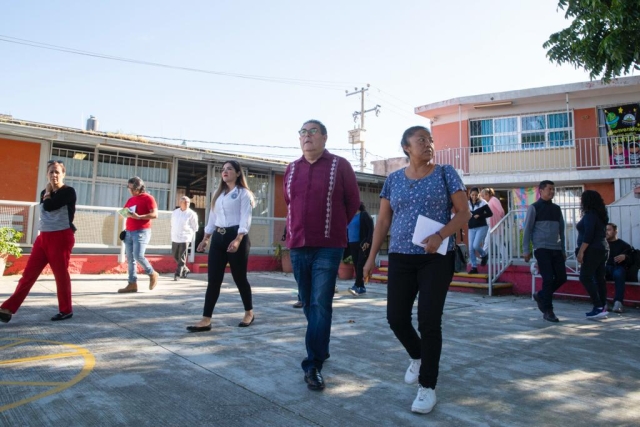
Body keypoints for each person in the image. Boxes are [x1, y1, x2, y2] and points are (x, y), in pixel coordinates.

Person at [363, 126, 470, 415]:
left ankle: (427, 387)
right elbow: (383, 222)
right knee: (396, 317)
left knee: (429, 320)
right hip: (400, 256)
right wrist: (371, 258)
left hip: (435, 257)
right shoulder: (394, 180)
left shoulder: (446, 173)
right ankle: (418, 356)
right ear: (406, 147)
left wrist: (441, 235)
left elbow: (464, 213)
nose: (428, 144)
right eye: (421, 139)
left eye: (430, 139)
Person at [284, 119, 360, 391]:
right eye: (302, 132)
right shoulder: (291, 169)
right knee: (307, 301)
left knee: (319, 303)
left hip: (328, 246)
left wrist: (334, 228)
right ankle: (321, 347)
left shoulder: (340, 166)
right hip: (297, 245)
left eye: (312, 131)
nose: (306, 136)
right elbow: (289, 204)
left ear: (325, 137)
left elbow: (353, 203)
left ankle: (313, 363)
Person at [0, 160, 77, 323]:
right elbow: (45, 212)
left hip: (61, 237)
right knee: (28, 275)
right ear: (46, 174)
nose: (54, 175)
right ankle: (8, 308)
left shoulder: (68, 191)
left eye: (57, 172)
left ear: (63, 174)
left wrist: (48, 192)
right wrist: (47, 191)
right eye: (51, 172)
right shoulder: (45, 191)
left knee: (60, 275)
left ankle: (66, 310)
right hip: (43, 238)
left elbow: (49, 206)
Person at [187, 160, 255, 332]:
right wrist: (205, 238)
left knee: (239, 277)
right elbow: (212, 218)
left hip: (236, 236)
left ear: (238, 173)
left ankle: (249, 312)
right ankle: (205, 319)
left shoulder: (244, 193)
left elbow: (245, 217)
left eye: (229, 169)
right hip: (219, 237)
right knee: (213, 280)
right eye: (223, 170)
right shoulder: (218, 195)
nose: (225, 172)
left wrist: (239, 239)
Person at [523, 180, 566, 323]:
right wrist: (526, 250)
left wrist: (563, 249)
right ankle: (548, 311)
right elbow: (527, 229)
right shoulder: (534, 208)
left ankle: (541, 295)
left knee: (561, 277)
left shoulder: (557, 209)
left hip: (556, 248)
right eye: (550, 189)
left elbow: (562, 231)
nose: (552, 192)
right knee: (548, 279)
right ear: (541, 191)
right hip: (541, 248)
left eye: (554, 189)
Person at [118, 177, 160, 293]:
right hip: (129, 232)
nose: (130, 191)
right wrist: (124, 213)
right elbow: (123, 213)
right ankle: (132, 283)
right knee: (130, 258)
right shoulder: (131, 199)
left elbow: (155, 214)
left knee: (138, 256)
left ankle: (152, 273)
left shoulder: (149, 198)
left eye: (132, 189)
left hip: (141, 231)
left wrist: (140, 217)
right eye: (129, 188)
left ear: (140, 188)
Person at [576, 190, 610, 319]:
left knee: (585, 277)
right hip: (603, 249)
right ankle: (602, 306)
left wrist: (581, 251)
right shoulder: (600, 215)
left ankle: (598, 306)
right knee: (599, 279)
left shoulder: (590, 215)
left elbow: (588, 235)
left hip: (593, 249)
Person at [347, 202, 374, 296]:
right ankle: (361, 287)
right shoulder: (350, 216)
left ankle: (356, 285)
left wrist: (368, 241)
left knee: (360, 265)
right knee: (356, 264)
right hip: (352, 244)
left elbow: (371, 228)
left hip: (362, 244)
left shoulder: (364, 214)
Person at [605, 223, 631, 313]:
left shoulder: (624, 245)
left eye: (609, 230)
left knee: (619, 274)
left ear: (615, 231)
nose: (606, 232)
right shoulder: (602, 244)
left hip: (617, 267)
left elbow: (632, 258)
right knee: (597, 273)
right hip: (604, 267)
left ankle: (618, 303)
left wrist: (625, 256)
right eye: (605, 230)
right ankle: (603, 302)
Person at [171, 196, 199, 280]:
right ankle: (185, 269)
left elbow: (195, 227)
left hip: (185, 237)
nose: (187, 204)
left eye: (188, 202)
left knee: (182, 256)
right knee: (175, 255)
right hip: (175, 236)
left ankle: (178, 274)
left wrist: (189, 233)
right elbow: (172, 223)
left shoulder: (192, 214)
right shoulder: (175, 212)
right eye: (185, 202)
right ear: (180, 203)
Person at [467, 187, 492, 274]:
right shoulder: (467, 204)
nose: (473, 196)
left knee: (476, 246)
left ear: (478, 195)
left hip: (481, 227)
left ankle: (484, 255)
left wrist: (480, 215)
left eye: (475, 195)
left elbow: (490, 213)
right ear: (469, 195)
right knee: (470, 248)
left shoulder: (483, 203)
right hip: (471, 228)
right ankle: (474, 267)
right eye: (472, 195)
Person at [481, 188, 505, 253]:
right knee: (488, 242)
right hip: (492, 225)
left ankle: (483, 256)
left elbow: (501, 211)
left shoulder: (493, 200)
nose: (483, 198)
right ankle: (483, 257)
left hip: (495, 225)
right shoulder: (490, 201)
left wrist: (499, 220)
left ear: (487, 194)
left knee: (497, 243)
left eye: (483, 196)